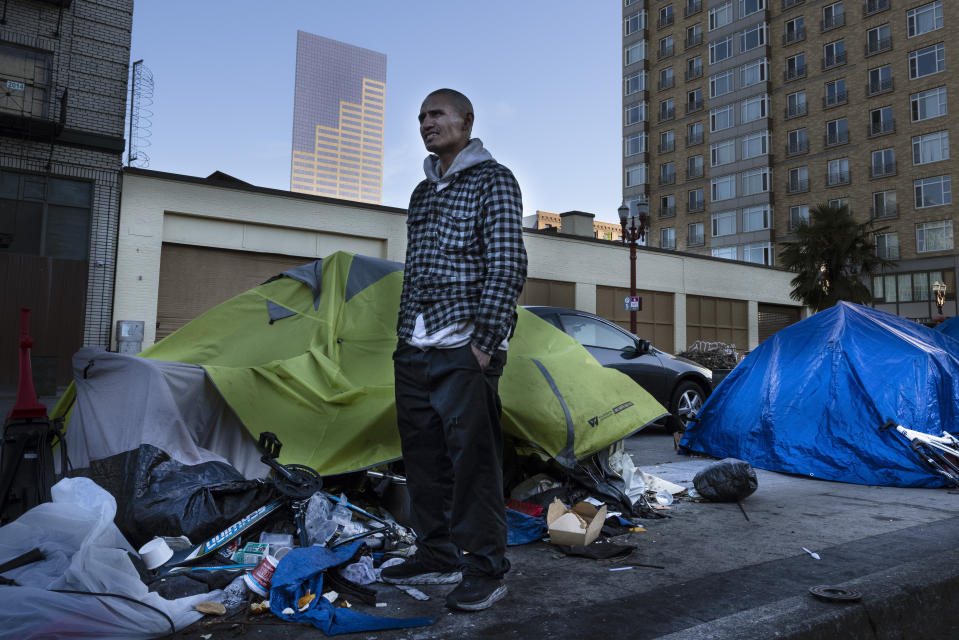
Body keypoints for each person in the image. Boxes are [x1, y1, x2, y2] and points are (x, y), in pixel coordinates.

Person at [381, 88, 528, 612]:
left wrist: (484, 346)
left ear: (467, 121)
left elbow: (508, 265)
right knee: (421, 459)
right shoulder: (422, 194)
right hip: (415, 347)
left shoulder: (494, 180)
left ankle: (486, 568)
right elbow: (414, 272)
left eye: (436, 114)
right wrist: (405, 338)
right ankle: (436, 552)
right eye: (421, 116)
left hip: (464, 348)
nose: (426, 123)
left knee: (474, 464)